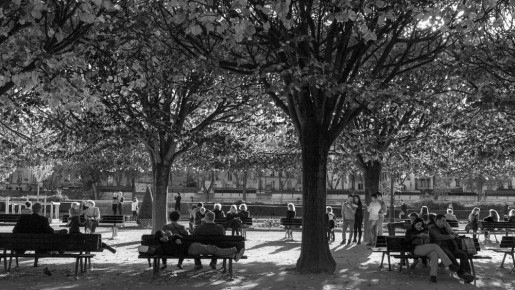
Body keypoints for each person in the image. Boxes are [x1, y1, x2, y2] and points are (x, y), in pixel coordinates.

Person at [405, 218, 460, 282]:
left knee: (434, 253)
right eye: (418, 224)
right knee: (434, 246)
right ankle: (449, 264)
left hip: (426, 249)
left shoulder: (423, 230)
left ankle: (433, 276)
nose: (419, 226)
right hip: (415, 249)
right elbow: (407, 240)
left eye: (421, 225)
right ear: (414, 224)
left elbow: (430, 238)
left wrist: (427, 236)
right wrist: (417, 235)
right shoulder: (409, 231)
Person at [428, 214, 474, 283]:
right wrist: (450, 236)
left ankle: (466, 273)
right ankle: (464, 275)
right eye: (443, 221)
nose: (444, 223)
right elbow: (438, 237)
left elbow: (451, 233)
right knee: (451, 257)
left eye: (445, 221)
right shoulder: (432, 228)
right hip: (441, 248)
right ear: (437, 220)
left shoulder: (445, 227)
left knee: (464, 255)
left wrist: (452, 232)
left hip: (451, 246)